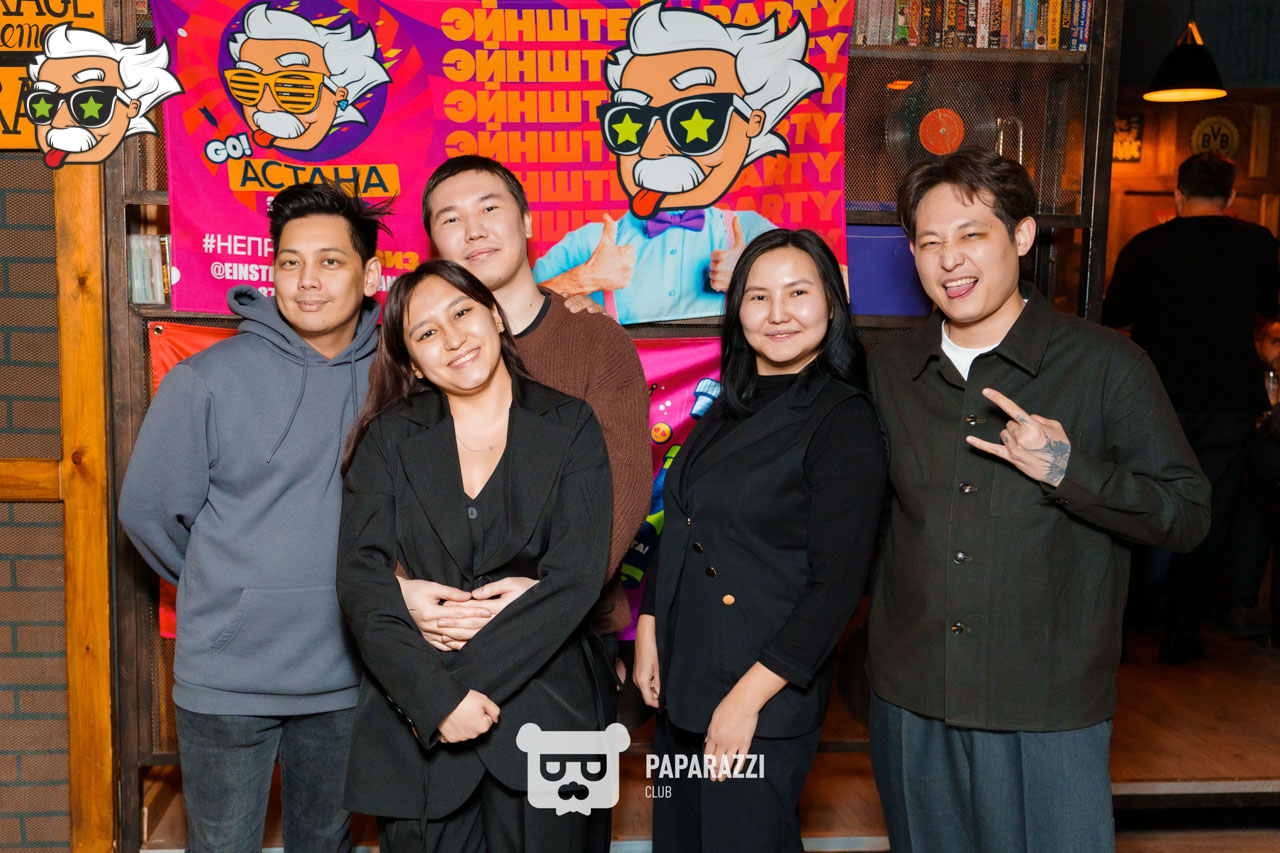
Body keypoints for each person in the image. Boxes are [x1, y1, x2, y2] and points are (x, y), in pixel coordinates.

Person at [868, 148, 1211, 852]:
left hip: (1046, 707)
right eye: (929, 242)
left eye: (971, 234)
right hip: (912, 700)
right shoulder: (891, 369)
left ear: (1022, 235)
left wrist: (1068, 470)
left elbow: (1187, 513)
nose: (950, 259)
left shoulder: (1106, 366)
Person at [118, 181, 387, 851]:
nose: (307, 280)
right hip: (228, 682)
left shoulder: (399, 378)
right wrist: (226, 586)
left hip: (349, 677)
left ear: (371, 275)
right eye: (290, 261)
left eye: (330, 260)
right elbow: (148, 511)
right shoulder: (206, 379)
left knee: (325, 842)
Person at [336, 259, 613, 851]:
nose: (453, 337)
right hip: (422, 739)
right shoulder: (388, 438)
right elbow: (360, 580)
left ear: (495, 315)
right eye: (427, 332)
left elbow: (576, 578)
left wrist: (446, 693)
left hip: (547, 717)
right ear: (413, 362)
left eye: (462, 312)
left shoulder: (570, 424)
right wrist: (434, 703)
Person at [632, 228, 887, 852]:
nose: (778, 313)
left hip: (760, 695)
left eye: (798, 293)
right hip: (687, 681)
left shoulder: (843, 419)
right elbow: (683, 522)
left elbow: (837, 587)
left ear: (832, 305)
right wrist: (649, 628)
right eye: (758, 296)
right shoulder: (730, 404)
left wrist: (745, 701)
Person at [402, 156, 649, 703]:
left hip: (569, 637)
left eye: (489, 209)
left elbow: (623, 490)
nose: (473, 230)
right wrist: (401, 592)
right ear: (434, 244)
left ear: (528, 222)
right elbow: (386, 489)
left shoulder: (595, 341)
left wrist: (549, 596)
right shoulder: (420, 349)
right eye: (451, 219)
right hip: (441, 638)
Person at [531, 0, 823, 324]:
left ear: (753, 122)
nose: (654, 148)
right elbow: (504, 313)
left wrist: (752, 276)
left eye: (696, 117)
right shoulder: (589, 243)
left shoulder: (751, 232)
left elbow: (841, 292)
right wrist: (582, 279)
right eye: (631, 122)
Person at [1102, 152, 1280, 663]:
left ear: (1177, 195)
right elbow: (1271, 306)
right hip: (1228, 400)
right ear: (1231, 197)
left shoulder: (1147, 244)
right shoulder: (1256, 242)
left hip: (1156, 396)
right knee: (1211, 511)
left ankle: (1124, 626)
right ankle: (1182, 634)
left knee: (1142, 500)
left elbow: (1113, 315)